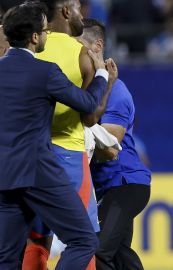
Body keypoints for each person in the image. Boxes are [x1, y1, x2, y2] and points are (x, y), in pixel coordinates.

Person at [0, 2, 117, 269]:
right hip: (39, 171)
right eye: (43, 31)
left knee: (6, 257)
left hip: (5, 174)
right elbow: (88, 106)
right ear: (34, 38)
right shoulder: (45, 71)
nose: (46, 34)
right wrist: (101, 75)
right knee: (84, 239)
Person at [79, 18, 152, 270]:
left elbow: (111, 143)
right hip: (105, 186)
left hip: (125, 183)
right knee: (120, 254)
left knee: (97, 252)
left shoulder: (117, 90)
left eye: (77, 45)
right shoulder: (80, 88)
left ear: (97, 46)